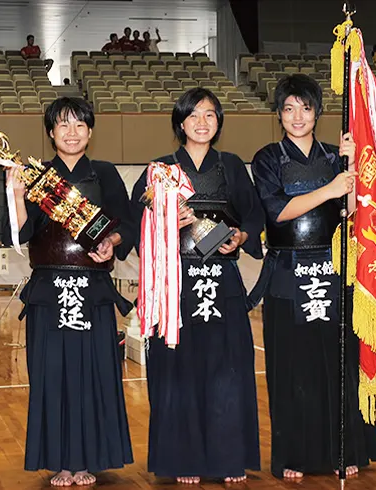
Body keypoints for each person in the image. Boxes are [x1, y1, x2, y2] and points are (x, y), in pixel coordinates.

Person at [128, 88, 264, 484]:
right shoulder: (161, 170)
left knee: (227, 370)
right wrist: (168, 217)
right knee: (179, 371)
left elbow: (254, 215)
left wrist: (239, 236)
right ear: (180, 123)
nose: (202, 122)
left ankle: (227, 457)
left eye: (210, 115)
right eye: (194, 115)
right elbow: (138, 219)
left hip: (222, 281)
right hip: (177, 284)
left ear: (219, 122)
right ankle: (182, 458)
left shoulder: (232, 166)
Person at [249, 73, 376, 480]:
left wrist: (354, 172)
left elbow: (358, 213)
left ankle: (344, 449)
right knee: (292, 369)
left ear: (317, 112)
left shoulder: (336, 156)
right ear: (278, 115)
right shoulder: (268, 158)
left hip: (334, 271)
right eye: (288, 109)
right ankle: (294, 455)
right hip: (288, 274)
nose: (297, 116)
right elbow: (277, 212)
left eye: (305, 108)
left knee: (337, 364)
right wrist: (330, 189)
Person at [3, 97, 134, 487]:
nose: (72, 132)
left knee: (95, 371)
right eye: (63, 125)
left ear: (90, 131)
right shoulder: (39, 177)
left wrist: (111, 240)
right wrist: (14, 194)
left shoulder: (105, 173)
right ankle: (62, 461)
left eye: (79, 125)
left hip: (92, 289)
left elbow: (126, 221)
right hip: (49, 289)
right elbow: (24, 234)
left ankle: (88, 460)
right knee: (52, 374)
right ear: (50, 133)